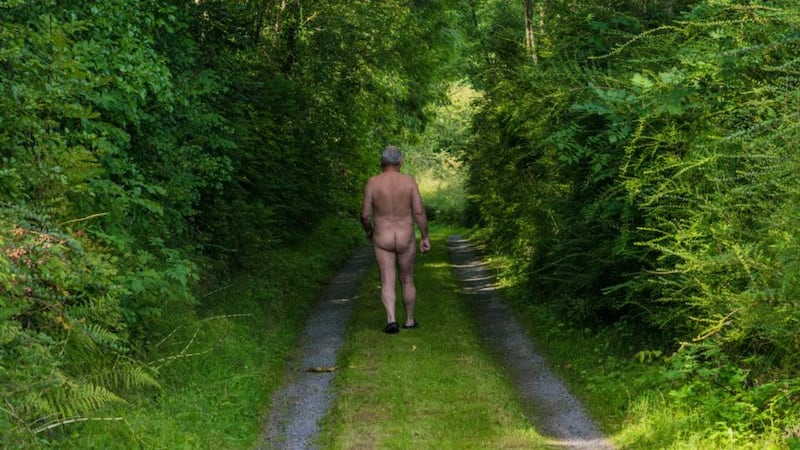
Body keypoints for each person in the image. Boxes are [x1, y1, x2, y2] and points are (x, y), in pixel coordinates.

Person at [360, 146, 431, 334]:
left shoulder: (373, 183)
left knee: (387, 280)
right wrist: (425, 236)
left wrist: (369, 232)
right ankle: (409, 320)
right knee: (407, 280)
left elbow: (365, 215)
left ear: (381, 163)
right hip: (405, 237)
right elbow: (419, 212)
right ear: (400, 162)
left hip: (382, 237)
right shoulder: (409, 182)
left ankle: (391, 320)